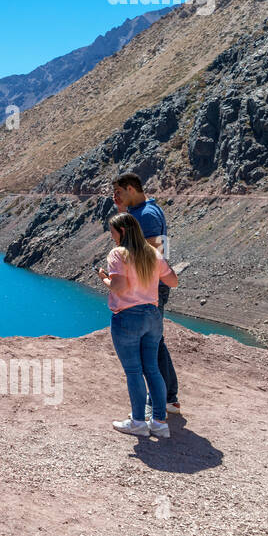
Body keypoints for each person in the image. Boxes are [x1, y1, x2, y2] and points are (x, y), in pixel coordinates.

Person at [97, 213, 179, 438]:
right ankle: (160, 423)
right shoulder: (152, 253)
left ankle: (138, 422)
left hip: (128, 316)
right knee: (152, 369)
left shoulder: (118, 254)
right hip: (152, 316)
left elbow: (119, 287)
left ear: (122, 231)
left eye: (112, 231)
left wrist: (104, 278)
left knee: (133, 371)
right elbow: (173, 281)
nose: (111, 236)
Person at [112, 172, 183, 416]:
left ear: (131, 188)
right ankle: (168, 397)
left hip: (151, 288)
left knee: (152, 344)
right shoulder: (142, 212)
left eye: (119, 192)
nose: (115, 197)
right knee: (155, 341)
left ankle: (165, 398)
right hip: (151, 285)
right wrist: (123, 210)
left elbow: (154, 253)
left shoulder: (147, 215)